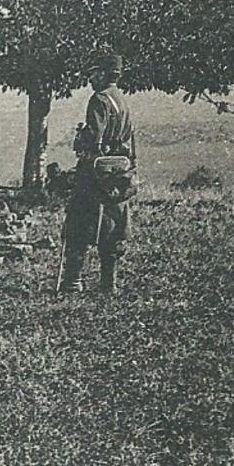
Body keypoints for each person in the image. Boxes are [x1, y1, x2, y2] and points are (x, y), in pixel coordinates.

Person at [58, 53, 138, 294]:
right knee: (112, 226)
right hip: (118, 172)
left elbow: (93, 138)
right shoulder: (121, 100)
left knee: (78, 226)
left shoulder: (99, 100)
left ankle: (72, 283)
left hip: (94, 172)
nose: (91, 78)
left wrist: (80, 140)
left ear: (103, 74)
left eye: (93, 73)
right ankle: (108, 284)